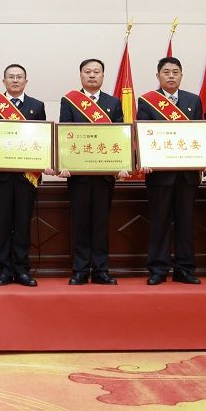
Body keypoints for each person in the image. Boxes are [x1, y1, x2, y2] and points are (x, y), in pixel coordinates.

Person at [59, 58, 127, 285]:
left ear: (103, 76)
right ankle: (79, 270)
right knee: (80, 223)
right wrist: (63, 162)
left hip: (104, 175)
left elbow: (120, 136)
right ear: (80, 75)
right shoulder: (69, 101)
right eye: (87, 72)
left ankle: (100, 270)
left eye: (96, 72)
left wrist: (122, 164)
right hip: (78, 175)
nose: (91, 75)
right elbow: (64, 134)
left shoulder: (113, 102)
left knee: (100, 223)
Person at [136, 57, 203, 285]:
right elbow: (144, 135)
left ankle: (185, 269)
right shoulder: (147, 101)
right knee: (159, 222)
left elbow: (199, 135)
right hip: (159, 175)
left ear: (182, 75)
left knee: (186, 222)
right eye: (166, 72)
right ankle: (158, 269)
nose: (171, 76)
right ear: (158, 76)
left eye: (175, 72)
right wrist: (145, 158)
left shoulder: (193, 100)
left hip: (187, 174)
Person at [0, 63, 46, 288]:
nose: (15, 80)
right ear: (4, 81)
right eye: (11, 77)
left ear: (26, 81)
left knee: (23, 223)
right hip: (1, 176)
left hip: (27, 176)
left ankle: (22, 269)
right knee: (3, 223)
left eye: (19, 77)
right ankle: (5, 270)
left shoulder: (37, 106)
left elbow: (42, 139)